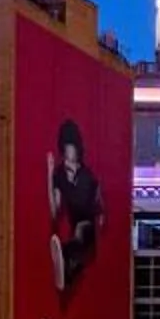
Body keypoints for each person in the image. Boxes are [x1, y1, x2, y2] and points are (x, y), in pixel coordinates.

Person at [47, 121, 103, 303]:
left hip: (87, 231)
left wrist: (101, 215)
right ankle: (68, 271)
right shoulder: (59, 175)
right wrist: (49, 175)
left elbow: (99, 205)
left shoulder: (88, 175)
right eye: (67, 150)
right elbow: (55, 211)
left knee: (82, 230)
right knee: (75, 265)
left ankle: (66, 254)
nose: (71, 155)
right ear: (63, 150)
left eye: (74, 150)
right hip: (75, 237)